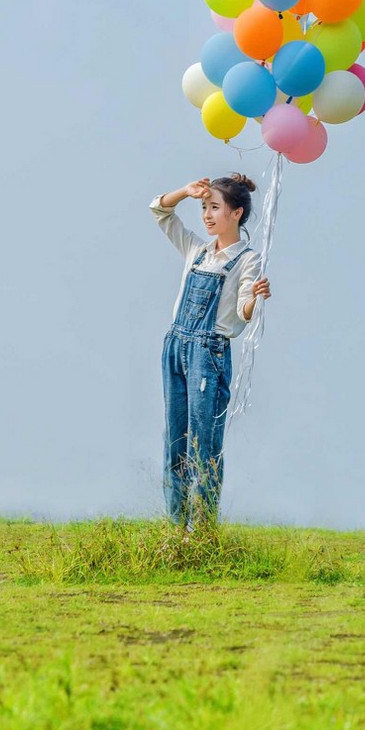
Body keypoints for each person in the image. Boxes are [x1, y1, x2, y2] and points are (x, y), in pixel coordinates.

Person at [149, 173, 271, 533]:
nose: (206, 215)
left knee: (204, 446)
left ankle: (202, 532)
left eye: (214, 207)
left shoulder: (248, 260)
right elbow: (159, 212)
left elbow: (244, 311)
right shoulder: (196, 251)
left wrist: (257, 299)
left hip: (209, 354)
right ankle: (175, 530)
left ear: (236, 213)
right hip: (174, 348)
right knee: (175, 443)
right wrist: (185, 192)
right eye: (203, 208)